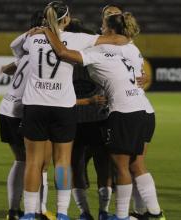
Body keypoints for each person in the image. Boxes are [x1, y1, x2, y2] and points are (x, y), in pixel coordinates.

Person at [42, 11, 164, 220]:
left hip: (112, 113)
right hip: (142, 109)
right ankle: (151, 213)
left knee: (110, 166)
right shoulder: (129, 47)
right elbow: (138, 74)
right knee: (132, 165)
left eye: (104, 25)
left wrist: (47, 31)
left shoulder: (95, 50)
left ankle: (112, 214)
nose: (100, 28)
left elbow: (63, 52)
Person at [19, 2, 127, 220]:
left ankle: (30, 214)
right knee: (62, 162)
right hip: (62, 106)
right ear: (66, 20)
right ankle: (61, 213)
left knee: (33, 162)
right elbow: (119, 40)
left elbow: (18, 52)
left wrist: (41, 31)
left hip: (34, 104)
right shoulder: (76, 39)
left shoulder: (31, 37)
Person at [0, 10, 56, 220]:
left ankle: (13, 211)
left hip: (6, 109)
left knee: (21, 160)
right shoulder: (48, 54)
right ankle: (40, 210)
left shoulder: (28, 52)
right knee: (40, 164)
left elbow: (14, 52)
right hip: (25, 110)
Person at [63, 18, 113, 220]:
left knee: (97, 166)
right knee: (80, 167)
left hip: (95, 120)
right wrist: (88, 101)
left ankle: (99, 212)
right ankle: (88, 212)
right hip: (77, 121)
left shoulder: (97, 59)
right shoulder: (62, 63)